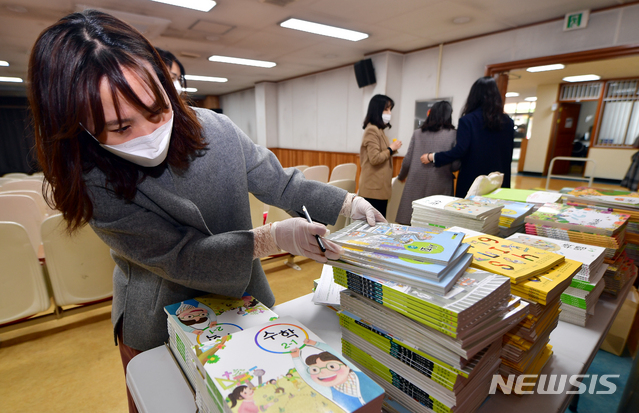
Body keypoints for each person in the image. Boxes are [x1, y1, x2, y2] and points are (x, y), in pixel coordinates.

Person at [28, 10, 385, 412]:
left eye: (156, 109)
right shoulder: (91, 181)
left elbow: (282, 183)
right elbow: (181, 257)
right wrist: (271, 238)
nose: (150, 134)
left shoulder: (215, 130)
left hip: (244, 297)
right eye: (121, 127)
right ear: (80, 128)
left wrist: (347, 203)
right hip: (158, 313)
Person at [422, 76, 514, 198]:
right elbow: (508, 153)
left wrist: (433, 156)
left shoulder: (468, 120)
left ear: (474, 96)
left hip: (473, 181)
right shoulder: (507, 121)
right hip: (498, 180)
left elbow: (460, 150)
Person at [395, 101, 460, 225]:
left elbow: (407, 160)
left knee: (409, 223)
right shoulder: (453, 135)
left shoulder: (417, 133)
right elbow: (455, 165)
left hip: (414, 183)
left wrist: (401, 176)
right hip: (440, 183)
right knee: (434, 226)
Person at [358, 94, 402, 217]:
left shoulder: (379, 130)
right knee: (371, 229)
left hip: (380, 189)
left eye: (390, 110)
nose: (389, 113)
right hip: (373, 190)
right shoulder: (371, 130)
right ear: (377, 110)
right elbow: (375, 158)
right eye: (386, 109)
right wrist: (391, 148)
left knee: (379, 228)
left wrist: (392, 148)